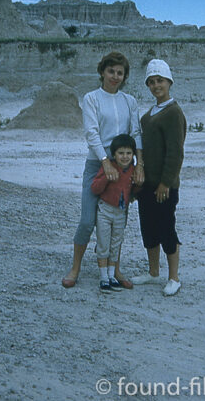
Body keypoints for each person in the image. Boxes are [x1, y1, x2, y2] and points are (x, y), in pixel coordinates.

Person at [61, 52, 143, 289]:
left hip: (124, 167)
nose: (115, 77)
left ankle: (115, 269)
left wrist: (139, 165)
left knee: (119, 221)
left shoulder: (130, 101)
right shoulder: (92, 98)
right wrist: (105, 161)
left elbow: (136, 133)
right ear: (102, 72)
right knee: (87, 220)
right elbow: (91, 132)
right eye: (111, 71)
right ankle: (75, 267)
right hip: (97, 165)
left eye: (120, 73)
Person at [133, 59, 187, 296]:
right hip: (147, 183)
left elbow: (175, 152)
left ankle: (173, 277)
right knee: (148, 228)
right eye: (152, 82)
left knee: (167, 229)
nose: (156, 86)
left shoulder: (174, 112)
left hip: (164, 185)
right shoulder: (147, 116)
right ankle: (153, 272)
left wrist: (166, 182)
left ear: (169, 82)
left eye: (160, 81)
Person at [90, 134, 139, 293]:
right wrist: (107, 178)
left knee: (116, 243)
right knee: (103, 243)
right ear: (114, 154)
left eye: (128, 153)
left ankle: (112, 275)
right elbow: (95, 188)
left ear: (133, 155)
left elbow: (133, 189)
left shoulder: (132, 169)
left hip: (121, 212)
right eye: (121, 153)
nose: (125, 157)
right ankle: (103, 277)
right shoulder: (108, 167)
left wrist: (136, 191)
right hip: (105, 210)